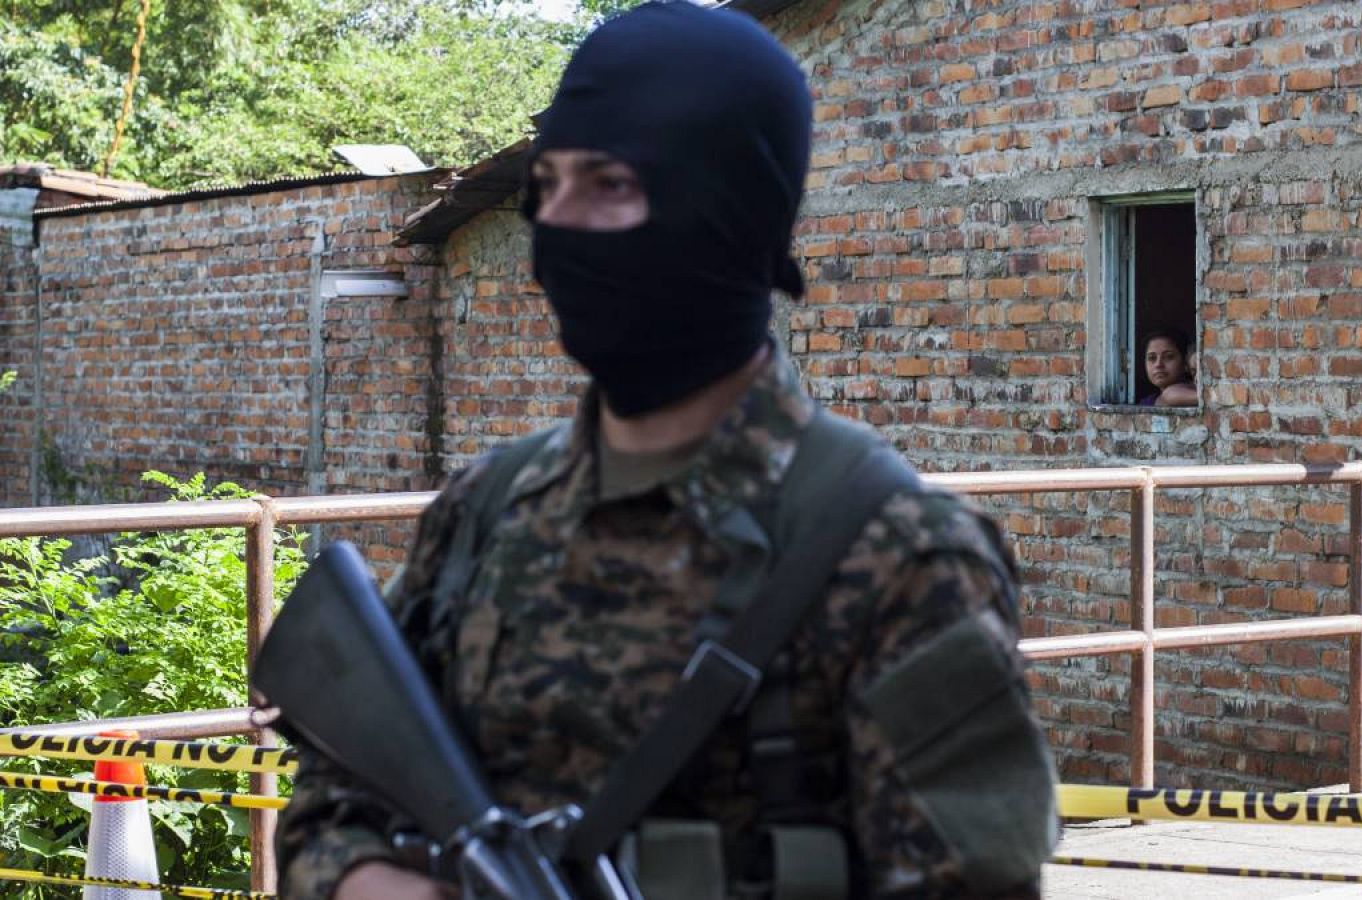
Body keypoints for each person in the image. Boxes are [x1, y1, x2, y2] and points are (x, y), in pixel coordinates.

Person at [274, 4, 1058, 899]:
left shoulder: (899, 558)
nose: (555, 225)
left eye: (609, 183)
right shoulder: (485, 510)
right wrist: (379, 884)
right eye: (549, 183)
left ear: (729, 209)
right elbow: (335, 796)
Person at [1138, 328, 1197, 408]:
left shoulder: (1197, 388)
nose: (1158, 364)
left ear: (1185, 364)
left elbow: (1169, 395)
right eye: (1152, 358)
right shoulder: (1146, 403)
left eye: (1169, 357)